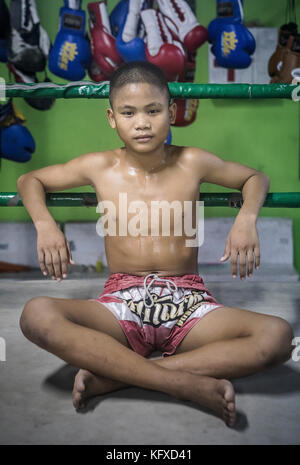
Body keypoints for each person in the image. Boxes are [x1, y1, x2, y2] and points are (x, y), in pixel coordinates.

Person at [17, 61, 294, 427]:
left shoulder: (192, 161)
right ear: (112, 118)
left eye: (153, 110)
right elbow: (30, 180)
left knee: (277, 336)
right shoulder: (99, 166)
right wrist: (45, 224)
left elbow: (255, 178)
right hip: (121, 302)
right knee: (36, 314)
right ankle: (181, 383)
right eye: (128, 113)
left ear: (172, 112)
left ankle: (115, 377)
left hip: (189, 302)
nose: (142, 122)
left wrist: (246, 219)